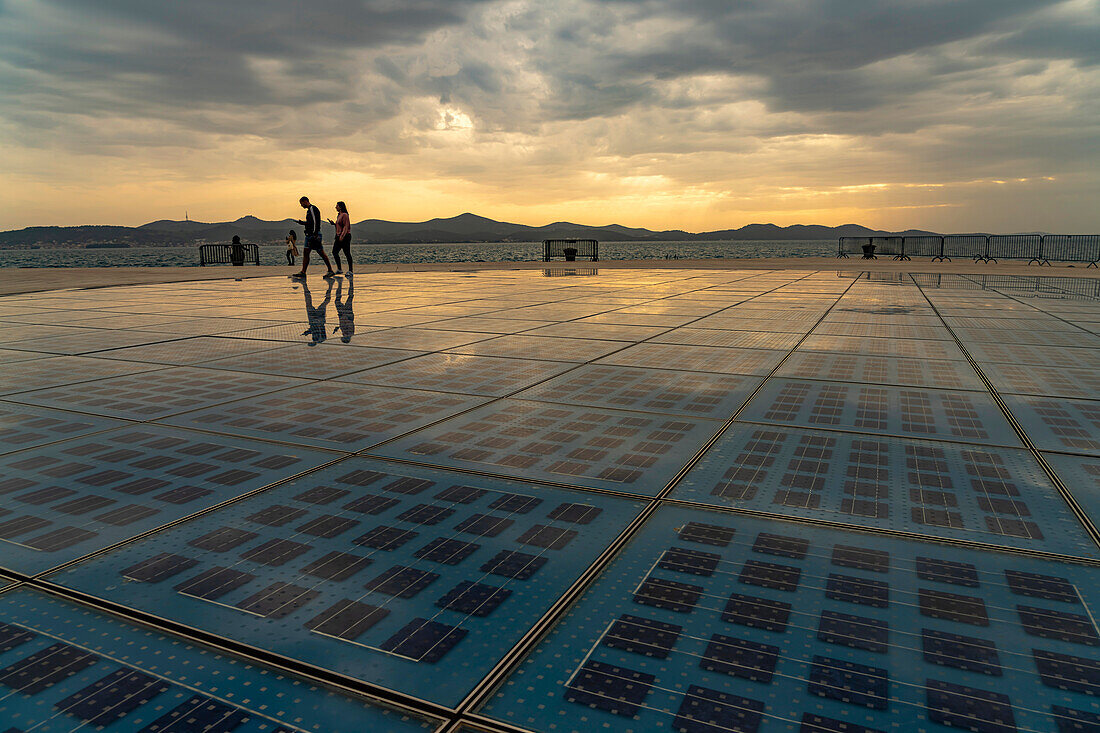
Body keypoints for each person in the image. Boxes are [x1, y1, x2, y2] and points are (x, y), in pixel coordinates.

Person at [293, 196, 335, 279]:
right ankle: (303, 272)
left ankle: (330, 270)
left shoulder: (312, 208)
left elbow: (316, 221)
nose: (301, 206)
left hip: (313, 235)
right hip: (309, 235)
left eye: (301, 203)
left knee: (321, 253)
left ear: (305, 201)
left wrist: (315, 233)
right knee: (306, 253)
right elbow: (311, 222)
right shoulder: (309, 210)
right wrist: (302, 223)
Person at [300, 279, 333, 345]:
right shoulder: (321, 339)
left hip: (318, 320)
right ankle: (304, 285)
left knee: (324, 302)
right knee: (309, 301)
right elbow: (317, 330)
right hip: (315, 320)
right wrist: (309, 332)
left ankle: (330, 287)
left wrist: (308, 331)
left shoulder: (321, 338)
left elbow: (315, 330)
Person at [328, 201, 353, 275]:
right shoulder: (339, 215)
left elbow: (346, 226)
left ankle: (350, 270)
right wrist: (334, 224)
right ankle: (339, 269)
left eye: (337, 206)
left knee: (347, 253)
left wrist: (342, 236)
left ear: (341, 207)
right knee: (334, 252)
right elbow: (339, 226)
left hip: (345, 236)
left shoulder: (345, 215)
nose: (335, 207)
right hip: (338, 236)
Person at [332, 275, 354, 342]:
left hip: (343, 315)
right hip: (346, 315)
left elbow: (343, 325)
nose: (343, 335)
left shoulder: (347, 333)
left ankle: (342, 283)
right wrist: (345, 317)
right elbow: (350, 324)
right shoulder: (350, 333)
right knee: (349, 297)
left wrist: (338, 327)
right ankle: (348, 283)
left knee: (343, 299)